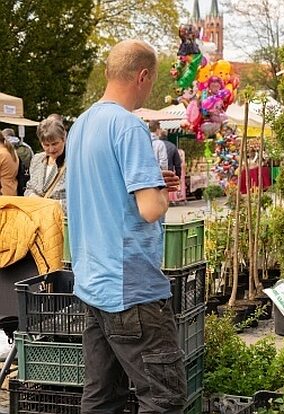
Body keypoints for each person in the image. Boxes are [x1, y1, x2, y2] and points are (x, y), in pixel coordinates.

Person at [65, 39, 185, 413]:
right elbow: (150, 209)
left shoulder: (81, 125)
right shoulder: (129, 127)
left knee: (102, 399)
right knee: (164, 398)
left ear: (108, 72)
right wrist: (161, 194)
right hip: (131, 289)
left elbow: (106, 191)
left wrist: (150, 180)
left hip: (93, 284)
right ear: (143, 75)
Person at [24, 118, 67, 200]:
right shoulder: (37, 159)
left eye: (55, 144)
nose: (51, 149)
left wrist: (53, 205)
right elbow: (29, 188)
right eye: (46, 145)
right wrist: (34, 197)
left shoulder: (73, 162)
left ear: (63, 139)